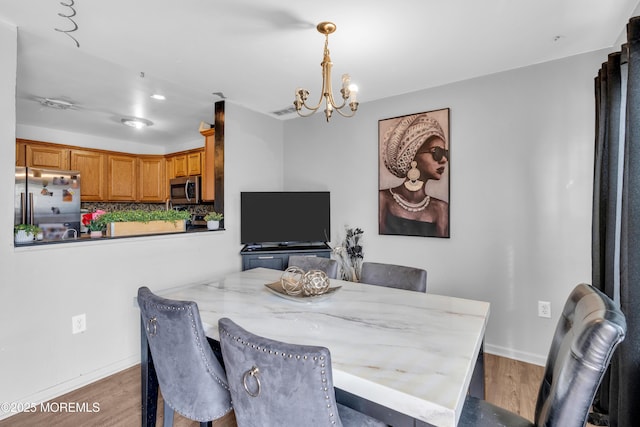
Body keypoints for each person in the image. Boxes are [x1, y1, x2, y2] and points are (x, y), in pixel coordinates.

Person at [379, 113, 449, 237]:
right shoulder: (383, 199)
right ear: (412, 155)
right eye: (436, 152)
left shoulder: (441, 208)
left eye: (445, 153)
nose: (444, 160)